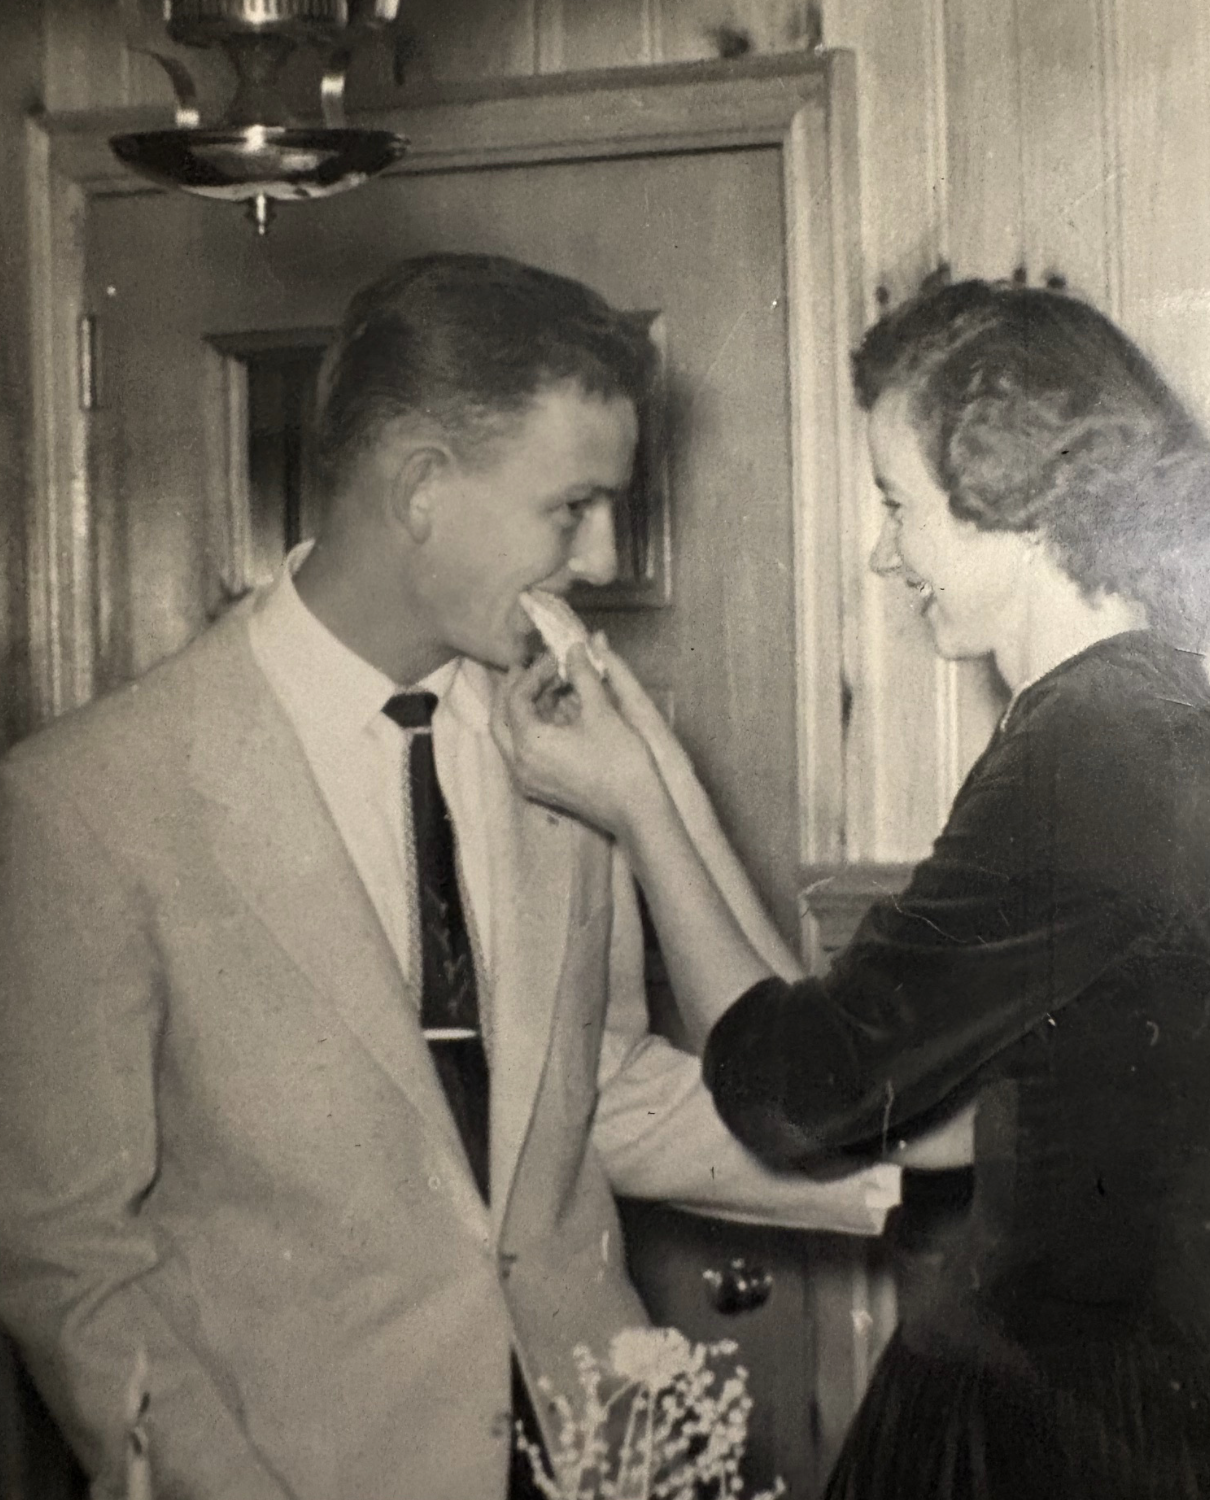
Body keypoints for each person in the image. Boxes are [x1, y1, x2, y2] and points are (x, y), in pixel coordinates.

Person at [0, 252, 898, 1500]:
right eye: (572, 506)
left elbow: (592, 1093)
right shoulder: (88, 798)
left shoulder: (560, 744)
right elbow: (71, 1259)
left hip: (598, 1457)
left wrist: (921, 1155)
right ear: (422, 486)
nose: (601, 556)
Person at [497, 278, 1210, 1499]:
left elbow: (799, 1095)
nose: (884, 552)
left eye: (897, 503)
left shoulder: (1086, 749)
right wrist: (660, 782)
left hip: (1051, 1432)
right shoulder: (1143, 712)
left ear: (1012, 499)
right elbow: (875, 1069)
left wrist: (635, 813)